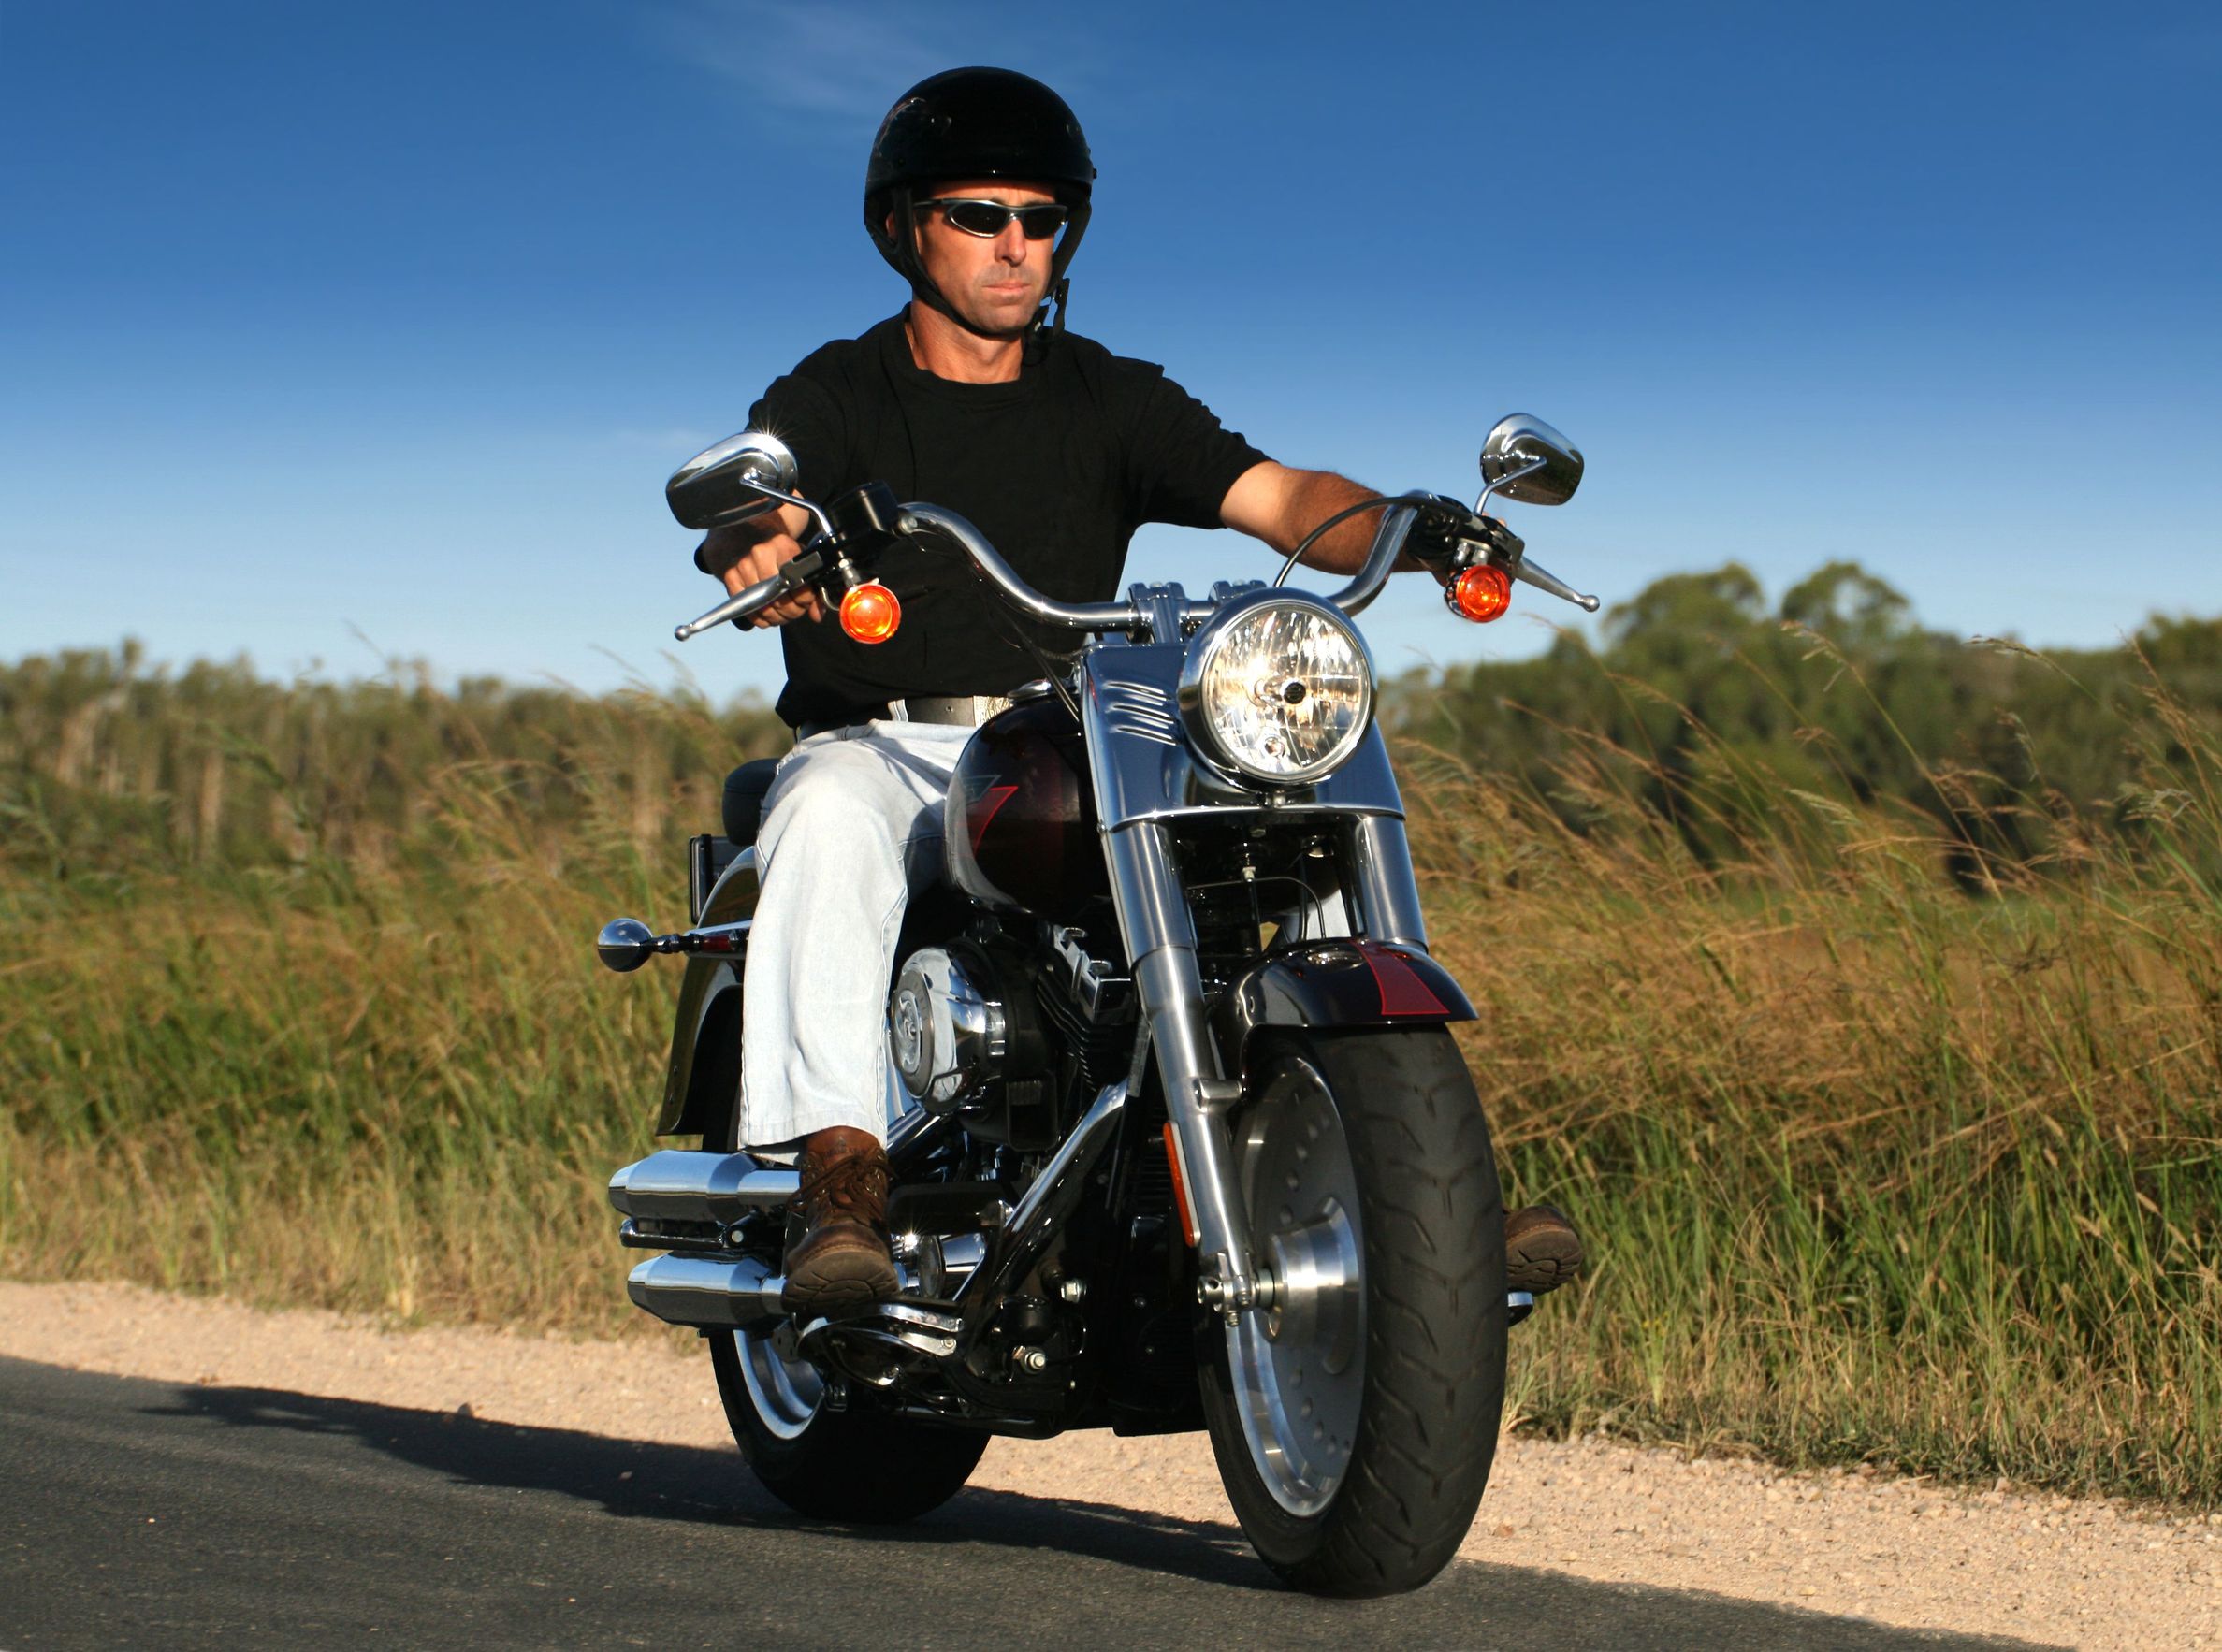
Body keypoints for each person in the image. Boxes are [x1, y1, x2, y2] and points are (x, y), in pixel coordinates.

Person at [693, 66, 1583, 1314]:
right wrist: (769, 545)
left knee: (1288, 799)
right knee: (829, 806)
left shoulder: (1106, 396)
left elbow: (1276, 495)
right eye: (978, 215)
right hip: (899, 748)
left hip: (1075, 733)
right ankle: (839, 1174)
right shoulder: (837, 392)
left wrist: (1416, 528)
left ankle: (1419, 1184)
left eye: (1039, 218)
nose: (1014, 245)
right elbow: (767, 501)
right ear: (903, 227)